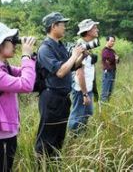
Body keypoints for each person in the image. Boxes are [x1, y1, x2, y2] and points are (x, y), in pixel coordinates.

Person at [0, 22, 36, 172]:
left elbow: (27, 72)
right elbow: (26, 84)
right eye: (11, 39)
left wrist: (32, 56)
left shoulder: (3, 67)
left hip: (6, 134)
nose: (15, 43)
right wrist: (25, 55)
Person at [34, 12, 85, 159]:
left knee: (59, 137)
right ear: (53, 26)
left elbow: (71, 66)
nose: (65, 28)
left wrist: (81, 56)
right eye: (62, 25)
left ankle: (54, 165)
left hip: (63, 98)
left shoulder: (59, 46)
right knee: (46, 138)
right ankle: (41, 168)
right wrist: (74, 55)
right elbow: (61, 72)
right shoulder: (45, 49)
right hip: (51, 99)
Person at [68, 19, 99, 133]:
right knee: (77, 117)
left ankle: (81, 137)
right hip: (81, 90)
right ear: (88, 31)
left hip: (87, 88)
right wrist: (85, 93)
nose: (97, 30)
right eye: (95, 28)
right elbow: (79, 72)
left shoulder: (87, 46)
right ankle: (74, 139)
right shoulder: (80, 46)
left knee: (86, 115)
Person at [101, 35, 119, 102]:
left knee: (110, 91)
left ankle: (107, 107)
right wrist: (115, 59)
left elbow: (117, 60)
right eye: (111, 41)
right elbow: (109, 60)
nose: (113, 42)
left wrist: (116, 59)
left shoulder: (112, 51)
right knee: (105, 92)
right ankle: (102, 108)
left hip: (113, 72)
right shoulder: (105, 51)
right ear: (107, 41)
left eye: (114, 41)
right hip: (107, 72)